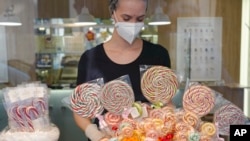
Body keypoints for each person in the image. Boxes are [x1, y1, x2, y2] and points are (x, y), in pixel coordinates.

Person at [73, 0, 171, 140]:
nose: (133, 24)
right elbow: (80, 111)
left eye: (140, 19)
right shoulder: (91, 59)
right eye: (126, 18)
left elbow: (166, 103)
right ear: (112, 12)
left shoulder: (158, 55)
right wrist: (96, 135)